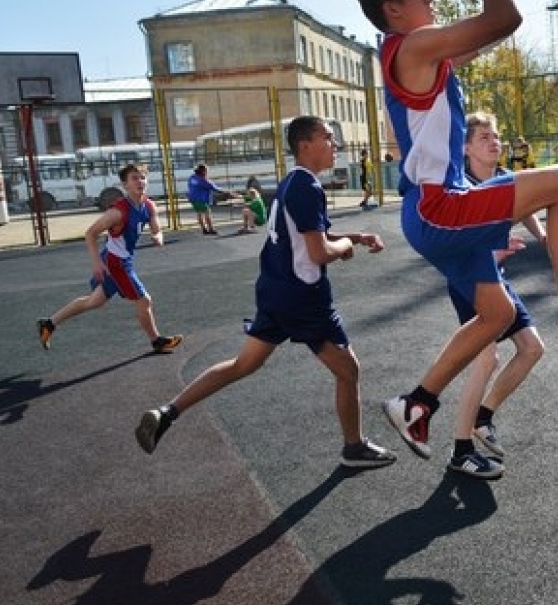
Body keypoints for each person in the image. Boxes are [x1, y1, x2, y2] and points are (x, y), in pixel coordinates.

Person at [357, 0, 558, 462]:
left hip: (432, 210)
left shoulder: (423, 55)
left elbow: (496, 28)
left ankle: (417, 403)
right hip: (439, 207)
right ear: (393, 10)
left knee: (495, 314)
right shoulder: (413, 47)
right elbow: (504, 18)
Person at [133, 116, 397, 470]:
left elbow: (308, 236)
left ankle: (167, 412)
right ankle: (354, 447)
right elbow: (319, 252)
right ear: (305, 145)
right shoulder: (307, 187)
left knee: (243, 365)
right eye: (327, 137)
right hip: (303, 299)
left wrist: (356, 237)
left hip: (275, 291)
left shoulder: (292, 182)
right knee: (348, 371)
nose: (334, 144)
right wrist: (346, 246)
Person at [446, 112, 548, 479]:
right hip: (469, 279)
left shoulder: (505, 178)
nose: (495, 142)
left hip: (496, 278)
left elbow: (527, 207)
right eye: (484, 137)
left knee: (532, 348)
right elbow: (450, 244)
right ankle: (461, 450)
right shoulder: (459, 189)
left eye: (496, 135)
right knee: (486, 359)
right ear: (466, 147)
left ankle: (483, 416)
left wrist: (543, 236)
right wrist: (491, 253)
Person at [36, 164, 183, 354]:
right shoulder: (118, 212)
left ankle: (49, 323)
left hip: (121, 260)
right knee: (144, 301)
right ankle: (157, 341)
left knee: (94, 301)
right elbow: (90, 234)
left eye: (142, 177)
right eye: (134, 178)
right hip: (116, 263)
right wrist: (97, 263)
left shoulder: (148, 205)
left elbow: (157, 229)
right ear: (125, 184)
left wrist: (158, 237)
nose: (140, 181)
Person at [187, 164, 227, 235]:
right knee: (207, 213)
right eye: (206, 170)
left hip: (192, 198)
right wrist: (226, 192)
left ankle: (204, 229)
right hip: (200, 199)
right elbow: (214, 188)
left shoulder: (192, 177)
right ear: (203, 171)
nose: (207, 172)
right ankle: (211, 229)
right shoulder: (203, 180)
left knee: (199, 213)